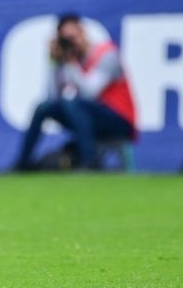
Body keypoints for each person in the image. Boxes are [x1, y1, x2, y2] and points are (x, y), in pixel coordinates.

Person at [15, 13, 137, 170]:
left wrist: (70, 63)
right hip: (88, 115)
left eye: (72, 37)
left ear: (82, 32)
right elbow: (53, 97)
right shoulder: (72, 62)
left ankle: (90, 162)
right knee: (43, 107)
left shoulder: (106, 54)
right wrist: (54, 62)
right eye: (66, 39)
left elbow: (90, 93)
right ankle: (23, 163)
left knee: (72, 104)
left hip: (117, 119)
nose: (71, 43)